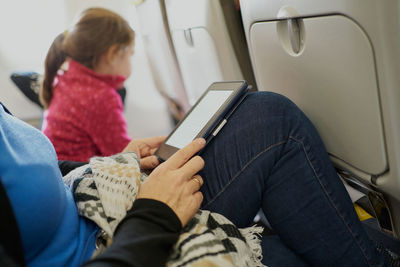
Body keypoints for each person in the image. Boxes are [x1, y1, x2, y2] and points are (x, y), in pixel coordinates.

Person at [0, 91, 387, 266]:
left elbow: (37, 173)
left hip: (102, 206)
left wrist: (116, 162)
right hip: (123, 246)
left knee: (266, 117)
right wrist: (154, 216)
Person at [40, 7, 135, 162]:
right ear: (112, 54)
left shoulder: (67, 76)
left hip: (59, 169)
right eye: (130, 54)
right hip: (78, 176)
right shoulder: (101, 97)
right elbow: (124, 155)